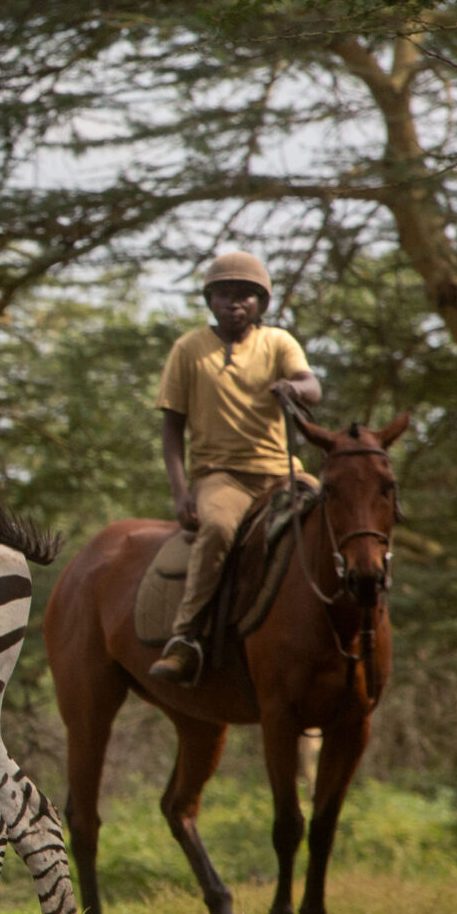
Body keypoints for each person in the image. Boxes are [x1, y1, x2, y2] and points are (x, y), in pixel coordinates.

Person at [148, 251, 321, 684]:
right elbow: (172, 429)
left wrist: (294, 386)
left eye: (246, 295)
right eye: (224, 294)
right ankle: (185, 637)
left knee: (331, 515)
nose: (235, 303)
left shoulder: (278, 343)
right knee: (220, 530)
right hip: (221, 475)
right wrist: (181, 492)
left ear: (261, 302)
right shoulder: (188, 349)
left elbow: (312, 386)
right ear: (210, 301)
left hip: (282, 471)